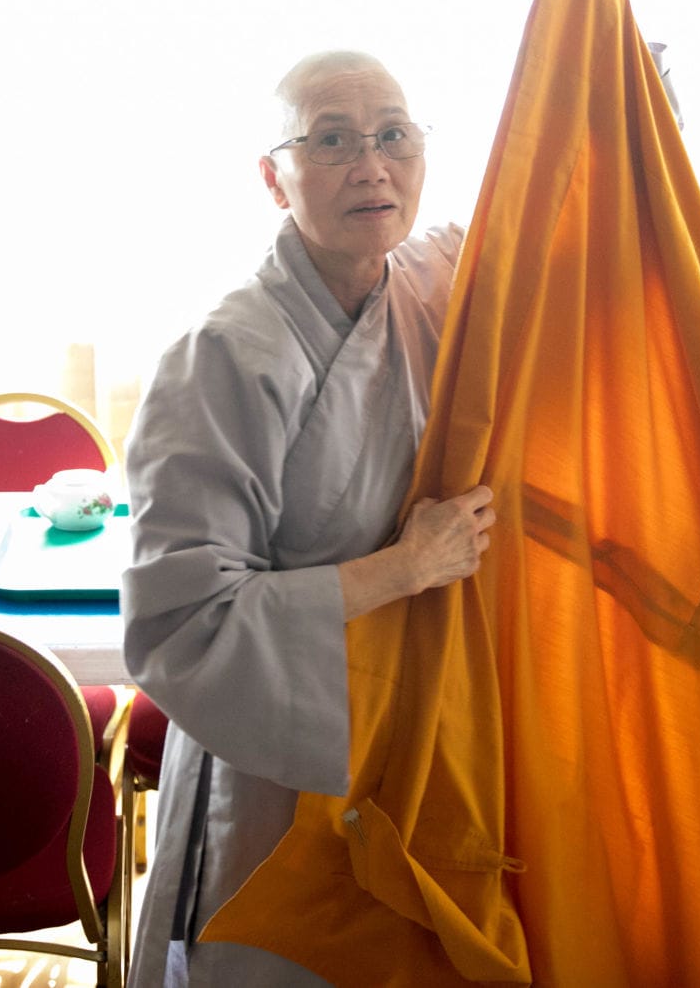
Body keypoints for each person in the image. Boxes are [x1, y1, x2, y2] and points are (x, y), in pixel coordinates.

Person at [121, 51, 496, 986]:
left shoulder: (428, 281)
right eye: (331, 140)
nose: (371, 165)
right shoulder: (224, 355)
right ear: (273, 177)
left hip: (403, 749)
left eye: (393, 136)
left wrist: (605, 56)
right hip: (276, 766)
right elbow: (181, 628)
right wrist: (406, 568)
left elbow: (564, 221)